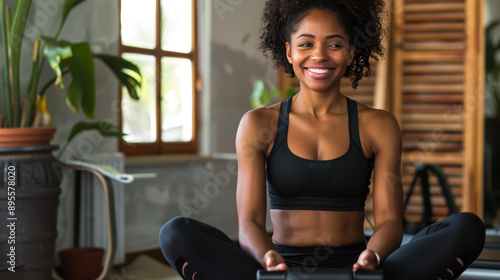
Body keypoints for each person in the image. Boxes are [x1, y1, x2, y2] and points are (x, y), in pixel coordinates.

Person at [159, 1, 486, 280]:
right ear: (288, 51)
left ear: (351, 51)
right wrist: (268, 258)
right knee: (176, 233)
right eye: (305, 44)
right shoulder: (259, 124)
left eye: (334, 44)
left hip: (358, 271)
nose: (319, 56)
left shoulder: (379, 125)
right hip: (280, 271)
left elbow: (388, 222)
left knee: (466, 228)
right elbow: (250, 223)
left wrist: (372, 256)